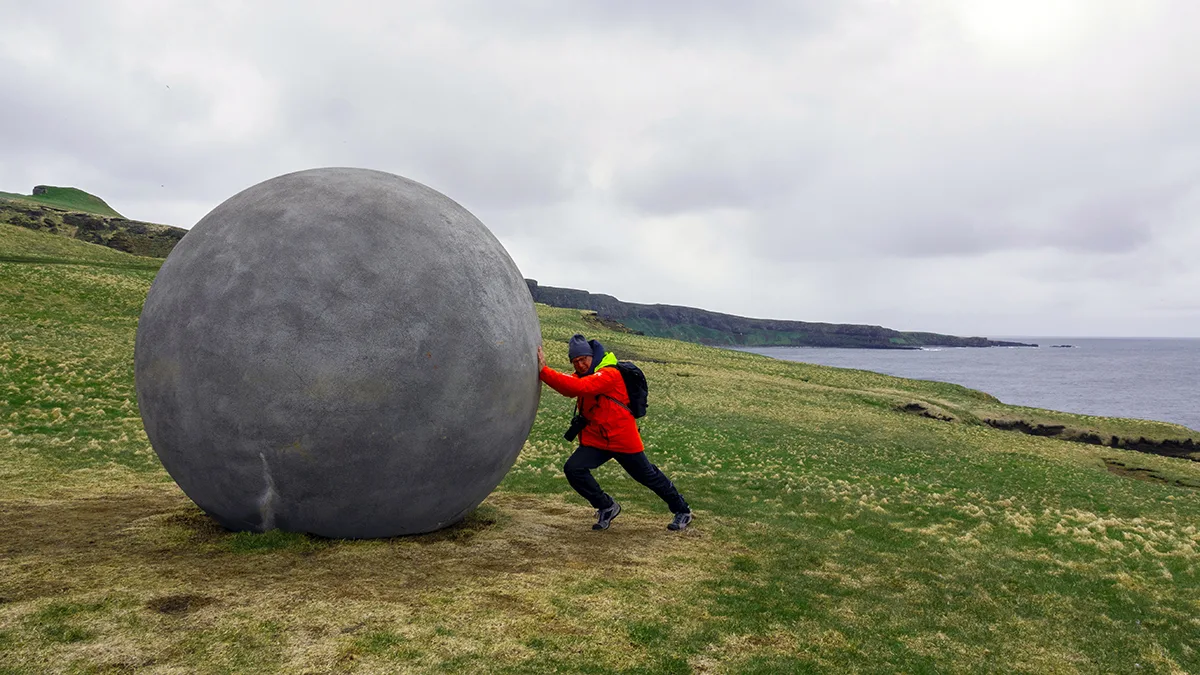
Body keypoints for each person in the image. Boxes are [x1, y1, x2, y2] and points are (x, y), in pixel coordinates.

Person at [536, 334, 693, 531]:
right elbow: (569, 388)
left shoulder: (610, 373)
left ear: (592, 356)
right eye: (575, 362)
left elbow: (580, 387)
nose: (580, 365)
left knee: (648, 476)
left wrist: (544, 371)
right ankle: (606, 506)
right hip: (598, 441)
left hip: (622, 439)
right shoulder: (586, 374)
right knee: (573, 469)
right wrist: (544, 371)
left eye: (583, 359)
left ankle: (682, 510)